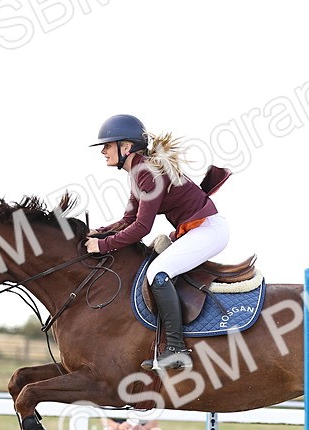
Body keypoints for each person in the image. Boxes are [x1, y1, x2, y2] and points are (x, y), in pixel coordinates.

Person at [86, 114, 230, 371]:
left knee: (158, 273)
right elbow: (128, 219)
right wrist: (98, 233)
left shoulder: (147, 172)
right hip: (198, 230)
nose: (103, 151)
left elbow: (142, 228)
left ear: (126, 147)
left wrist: (104, 246)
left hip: (208, 231)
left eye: (107, 145)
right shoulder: (138, 173)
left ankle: (176, 349)